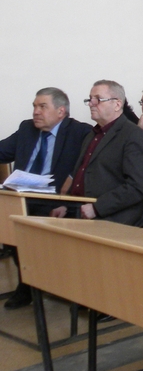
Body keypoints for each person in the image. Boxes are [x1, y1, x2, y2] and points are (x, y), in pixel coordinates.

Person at [0, 87, 93, 308]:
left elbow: (86, 168)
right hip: (22, 196)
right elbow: (2, 151)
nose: (36, 112)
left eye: (42, 106)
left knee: (32, 219)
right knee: (9, 217)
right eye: (34, 106)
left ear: (61, 111)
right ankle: (27, 282)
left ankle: (52, 282)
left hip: (56, 199)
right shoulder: (27, 129)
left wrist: (66, 196)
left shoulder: (79, 132)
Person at [50, 80, 143, 227]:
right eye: (90, 99)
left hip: (115, 218)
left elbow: (136, 187)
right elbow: (80, 174)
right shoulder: (92, 135)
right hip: (81, 211)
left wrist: (97, 208)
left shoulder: (135, 136)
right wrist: (66, 205)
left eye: (98, 99)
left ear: (117, 104)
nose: (91, 104)